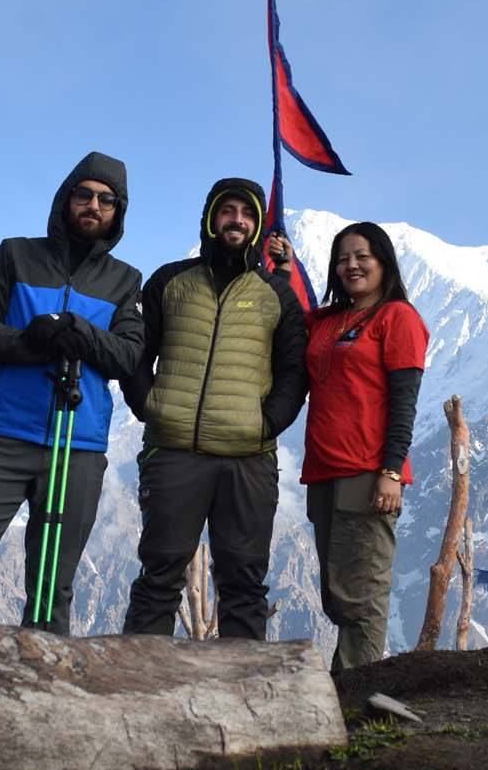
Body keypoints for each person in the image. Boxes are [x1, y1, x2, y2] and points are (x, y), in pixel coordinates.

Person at [0, 152, 142, 635]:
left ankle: (42, 703)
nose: (93, 205)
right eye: (83, 194)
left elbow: (128, 356)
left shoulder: (125, 280)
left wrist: (81, 334)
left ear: (117, 211)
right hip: (2, 438)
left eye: (106, 200)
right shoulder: (14, 254)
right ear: (66, 198)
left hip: (76, 449)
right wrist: (30, 340)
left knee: (50, 595)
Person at [121, 178, 308, 640]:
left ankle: (239, 698)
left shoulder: (277, 295)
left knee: (244, 584)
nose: (237, 220)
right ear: (210, 217)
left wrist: (266, 423)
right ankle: (138, 689)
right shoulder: (169, 281)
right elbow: (135, 352)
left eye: (247, 214)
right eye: (228, 211)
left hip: (247, 458)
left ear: (260, 225)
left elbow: (294, 371)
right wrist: (149, 407)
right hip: (173, 451)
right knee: (159, 577)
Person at [272, 221, 428, 670]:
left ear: (383, 261)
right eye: (343, 258)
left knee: (363, 595)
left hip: (369, 471)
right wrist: (284, 268)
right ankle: (346, 687)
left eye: (362, 256)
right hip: (324, 469)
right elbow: (288, 317)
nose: (352, 265)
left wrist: (392, 470)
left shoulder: (398, 318)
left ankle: (358, 696)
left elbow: (404, 401)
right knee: (337, 592)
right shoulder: (326, 320)